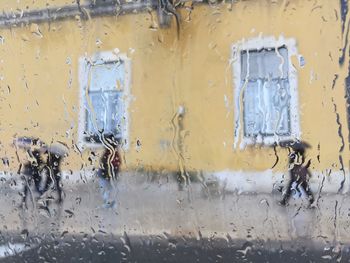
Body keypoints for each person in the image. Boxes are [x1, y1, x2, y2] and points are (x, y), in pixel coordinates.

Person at [98, 134, 121, 208]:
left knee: (107, 188)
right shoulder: (112, 152)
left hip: (107, 174)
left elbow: (115, 164)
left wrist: (110, 173)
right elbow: (117, 163)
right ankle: (109, 203)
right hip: (106, 174)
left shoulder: (111, 153)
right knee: (108, 189)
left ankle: (109, 203)